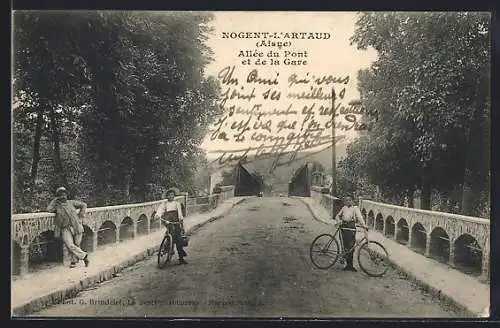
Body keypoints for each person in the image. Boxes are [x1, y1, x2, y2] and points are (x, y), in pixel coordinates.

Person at [46, 187, 89, 268]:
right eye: (60, 195)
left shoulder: (71, 203)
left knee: (77, 244)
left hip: (76, 226)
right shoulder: (57, 206)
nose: (63, 196)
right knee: (70, 245)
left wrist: (80, 216)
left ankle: (74, 262)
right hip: (65, 228)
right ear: (58, 196)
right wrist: (55, 200)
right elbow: (48, 209)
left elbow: (84, 205)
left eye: (64, 194)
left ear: (66, 195)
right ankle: (84, 256)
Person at [334, 195, 368, 272]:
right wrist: (338, 221)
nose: (348, 201)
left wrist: (364, 225)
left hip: (351, 227)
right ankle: (346, 263)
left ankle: (350, 266)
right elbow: (337, 216)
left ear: (352, 201)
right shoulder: (344, 208)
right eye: (346, 200)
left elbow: (360, 218)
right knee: (345, 246)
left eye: (349, 200)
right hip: (343, 227)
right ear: (345, 201)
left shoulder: (355, 208)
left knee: (351, 247)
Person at [154, 188, 188, 265]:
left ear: (174, 196)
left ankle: (181, 258)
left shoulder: (177, 204)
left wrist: (180, 219)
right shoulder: (164, 204)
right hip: (167, 220)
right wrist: (157, 215)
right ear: (167, 196)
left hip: (175, 220)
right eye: (169, 195)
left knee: (178, 238)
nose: (170, 196)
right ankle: (166, 247)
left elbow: (179, 213)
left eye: (172, 195)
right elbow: (160, 210)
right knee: (170, 232)